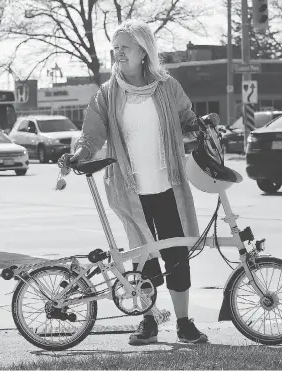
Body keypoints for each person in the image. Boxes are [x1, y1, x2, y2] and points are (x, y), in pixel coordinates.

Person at [67, 19, 208, 345]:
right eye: (114, 48)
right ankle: (148, 322)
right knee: (142, 260)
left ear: (143, 51)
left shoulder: (168, 87)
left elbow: (188, 120)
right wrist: (80, 152)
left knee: (176, 255)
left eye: (124, 47)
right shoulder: (107, 93)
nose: (118, 53)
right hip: (131, 190)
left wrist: (201, 127)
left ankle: (184, 324)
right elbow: (91, 132)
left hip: (167, 186)